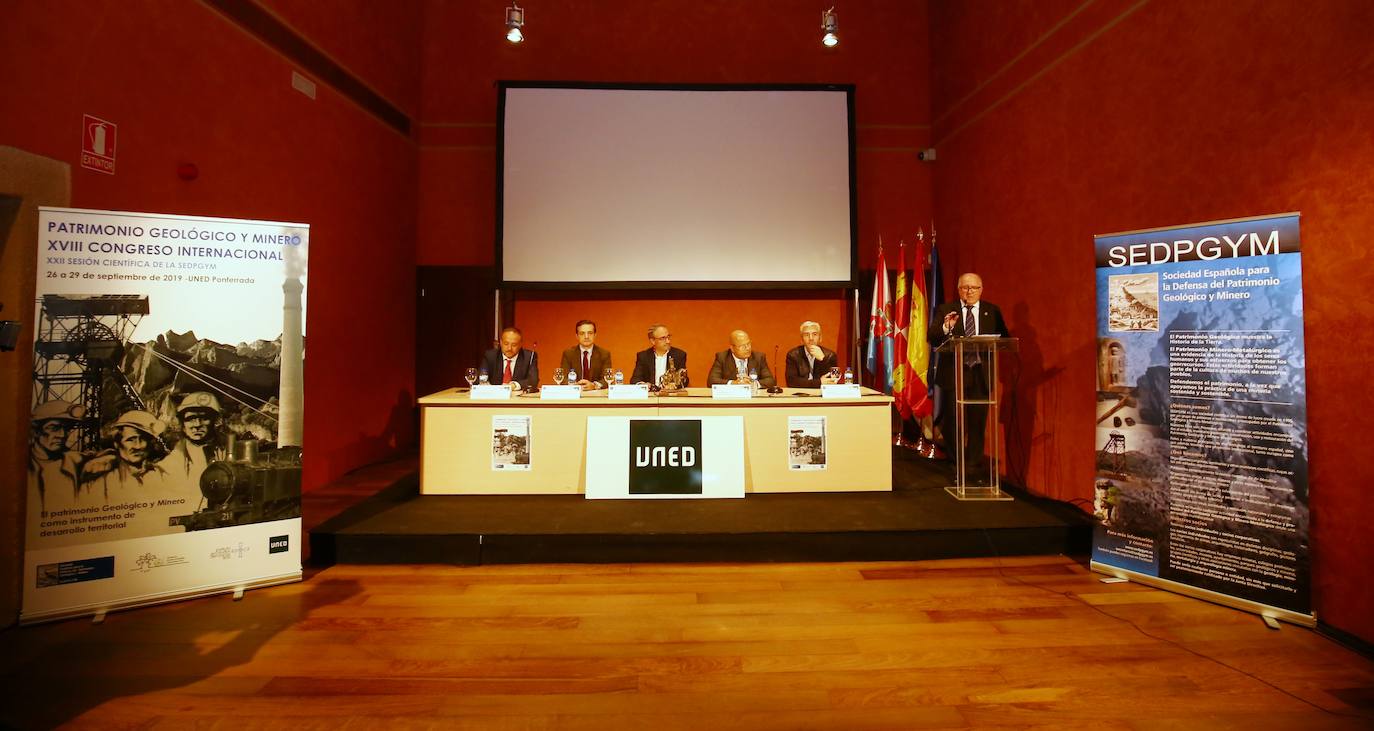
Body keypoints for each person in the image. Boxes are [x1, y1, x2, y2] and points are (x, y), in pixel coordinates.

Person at [928, 272, 1010, 476]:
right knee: (952, 421)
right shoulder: (948, 310)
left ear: (981, 290)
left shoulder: (992, 311)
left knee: (977, 422)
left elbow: (1004, 338)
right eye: (965, 288)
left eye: (974, 288)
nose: (969, 291)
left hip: (980, 375)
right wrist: (947, 327)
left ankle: (973, 465)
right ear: (959, 290)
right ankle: (957, 462)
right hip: (953, 375)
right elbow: (932, 337)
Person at [27, 399, 90, 515]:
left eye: (67, 429)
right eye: (54, 428)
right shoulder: (15, 465)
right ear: (36, 431)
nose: (62, 435)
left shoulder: (76, 463)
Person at [159, 391, 226, 492]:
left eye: (204, 418)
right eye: (190, 419)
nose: (197, 424)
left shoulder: (227, 451)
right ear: (183, 423)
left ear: (214, 421)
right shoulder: (172, 459)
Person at [707, 330, 777, 387]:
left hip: (753, 398)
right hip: (730, 399)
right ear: (732, 348)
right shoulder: (722, 357)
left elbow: (770, 380)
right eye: (742, 346)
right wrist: (734, 383)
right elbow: (712, 381)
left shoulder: (758, 357)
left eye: (748, 344)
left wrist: (753, 383)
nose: (747, 348)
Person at [481, 326, 540, 391]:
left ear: (520, 344)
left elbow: (533, 380)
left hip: (518, 399)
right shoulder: (491, 356)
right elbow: (481, 377)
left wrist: (514, 385)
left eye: (514, 345)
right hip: (494, 397)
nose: (509, 348)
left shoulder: (529, 357)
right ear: (500, 342)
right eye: (506, 344)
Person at [558, 319, 613, 389]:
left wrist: (594, 385)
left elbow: (607, 379)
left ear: (595, 335)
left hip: (597, 395)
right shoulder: (568, 354)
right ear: (577, 336)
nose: (586, 337)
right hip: (575, 394)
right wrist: (575, 385)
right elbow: (563, 378)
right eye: (582, 333)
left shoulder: (604, 354)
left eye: (590, 333)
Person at [784, 321, 840, 388]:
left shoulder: (831, 355)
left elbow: (834, 380)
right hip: (801, 394)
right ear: (802, 339)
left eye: (815, 334)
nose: (811, 338)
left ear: (820, 338)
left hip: (822, 394)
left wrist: (823, 359)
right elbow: (791, 382)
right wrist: (819, 382)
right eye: (806, 335)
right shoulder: (793, 355)